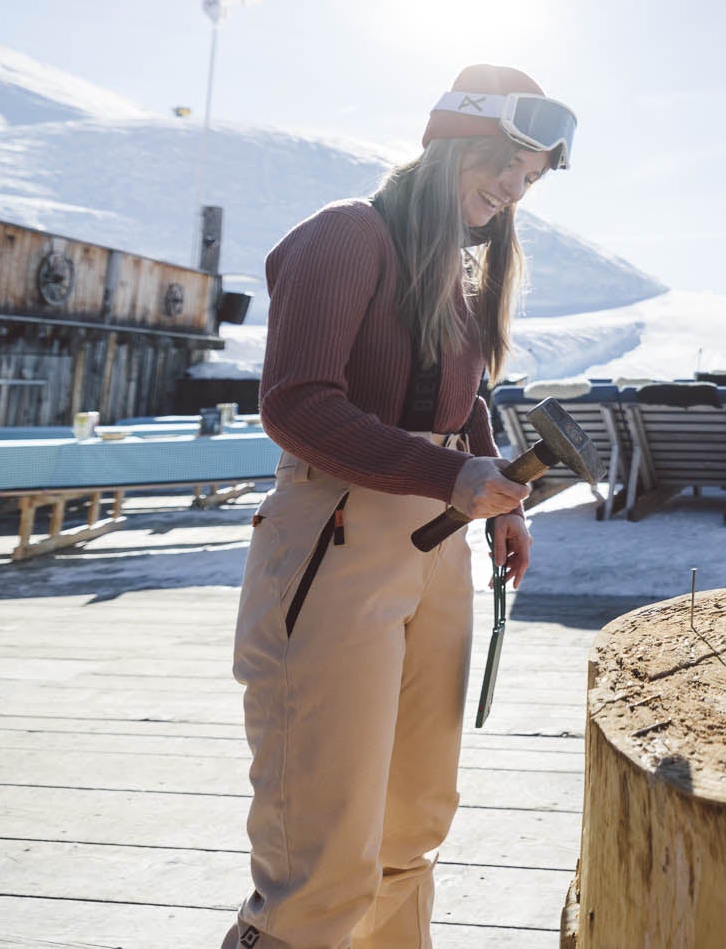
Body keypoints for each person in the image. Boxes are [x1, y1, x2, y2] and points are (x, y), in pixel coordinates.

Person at [223, 65, 574, 949]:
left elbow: (463, 404)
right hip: (335, 536)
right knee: (324, 848)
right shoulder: (346, 237)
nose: (512, 188)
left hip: (437, 545)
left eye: (530, 178)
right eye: (505, 162)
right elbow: (297, 404)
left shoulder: (454, 273)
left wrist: (499, 502)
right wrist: (448, 475)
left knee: (412, 822)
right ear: (453, 140)